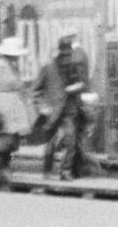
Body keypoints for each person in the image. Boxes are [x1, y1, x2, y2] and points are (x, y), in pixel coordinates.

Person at [34, 33, 92, 180]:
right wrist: (43, 106)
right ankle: (47, 171)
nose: (67, 58)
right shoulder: (48, 68)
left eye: (69, 54)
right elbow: (35, 91)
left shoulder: (74, 67)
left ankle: (65, 171)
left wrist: (77, 88)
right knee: (51, 144)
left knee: (71, 142)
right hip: (52, 112)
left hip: (68, 111)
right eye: (64, 55)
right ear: (59, 53)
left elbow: (81, 84)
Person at [0, 36, 35, 189]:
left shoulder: (10, 66)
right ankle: (0, 171)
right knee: (2, 142)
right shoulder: (0, 66)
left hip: (11, 110)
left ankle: (3, 170)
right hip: (2, 109)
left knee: (9, 142)